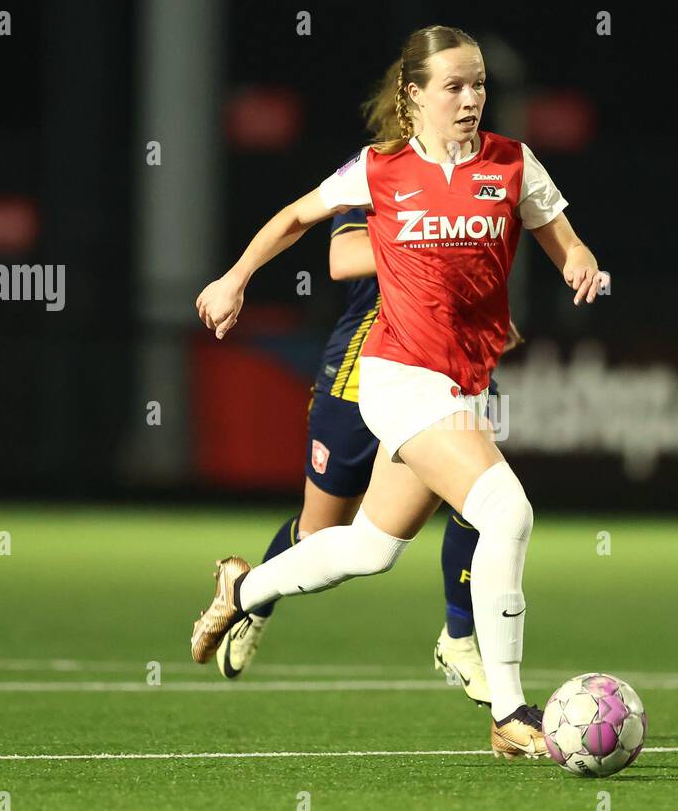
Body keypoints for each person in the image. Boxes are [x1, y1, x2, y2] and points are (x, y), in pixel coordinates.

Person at [192, 24, 605, 758]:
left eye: (478, 83)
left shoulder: (512, 163)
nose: (471, 98)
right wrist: (233, 280)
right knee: (506, 509)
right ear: (412, 97)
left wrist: (580, 263)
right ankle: (510, 713)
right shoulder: (380, 168)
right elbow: (295, 218)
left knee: (369, 549)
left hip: (459, 385)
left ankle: (242, 591)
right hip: (397, 377)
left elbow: (563, 237)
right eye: (453, 85)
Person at [215, 192, 523, 707]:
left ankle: (460, 637)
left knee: (489, 502)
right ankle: (251, 602)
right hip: (359, 379)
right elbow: (344, 259)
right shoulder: (383, 178)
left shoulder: (482, 180)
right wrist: (441, 237)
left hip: (451, 376)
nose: (468, 108)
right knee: (326, 532)